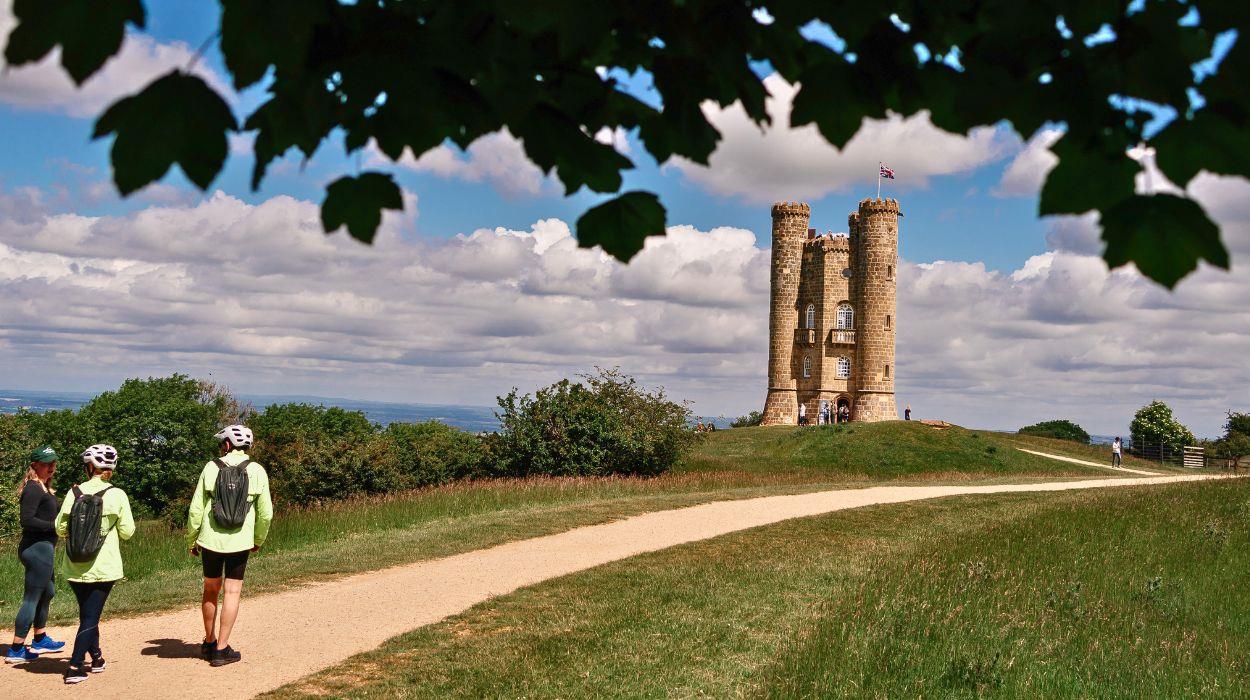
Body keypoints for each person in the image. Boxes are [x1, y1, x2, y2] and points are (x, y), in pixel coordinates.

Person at [187, 425, 273, 667]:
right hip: (240, 542)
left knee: (210, 590)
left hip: (210, 540)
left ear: (226, 445)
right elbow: (266, 514)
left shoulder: (211, 467)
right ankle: (222, 650)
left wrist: (191, 539)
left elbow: (196, 509)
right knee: (232, 592)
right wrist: (258, 539)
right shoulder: (257, 470)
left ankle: (209, 641)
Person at [54, 444, 135, 684]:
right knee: (91, 617)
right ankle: (75, 665)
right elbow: (128, 532)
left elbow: (60, 528)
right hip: (104, 566)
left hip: (74, 564)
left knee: (88, 613)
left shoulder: (74, 492)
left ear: (90, 467)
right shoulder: (117, 494)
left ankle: (97, 658)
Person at [8, 446, 67, 664]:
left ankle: (40, 638)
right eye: (46, 464)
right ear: (35, 465)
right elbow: (27, 520)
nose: (51, 467)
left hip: (44, 548)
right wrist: (55, 527)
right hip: (36, 549)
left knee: (48, 592)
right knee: (32, 597)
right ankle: (16, 649)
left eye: (53, 463)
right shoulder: (33, 488)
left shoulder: (44, 487)